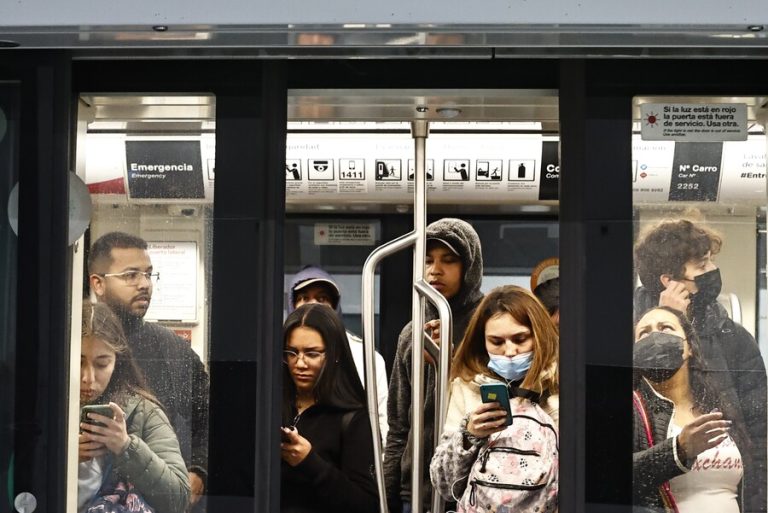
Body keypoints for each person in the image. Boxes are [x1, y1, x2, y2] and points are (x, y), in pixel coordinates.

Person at [634, 218, 766, 513]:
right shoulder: (634, 334)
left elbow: (759, 432)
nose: (712, 271)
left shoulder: (732, 337)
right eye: (702, 265)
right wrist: (669, 319)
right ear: (670, 281)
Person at [88, 232, 210, 510]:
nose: (144, 284)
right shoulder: (73, 344)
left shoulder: (174, 350)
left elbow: (208, 418)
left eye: (148, 274)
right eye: (130, 275)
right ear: (98, 283)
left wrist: (199, 470)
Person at [384, 218, 484, 513]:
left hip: (472, 485)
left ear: (469, 267)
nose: (435, 270)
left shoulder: (488, 325)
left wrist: (451, 363)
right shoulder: (412, 333)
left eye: (448, 260)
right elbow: (399, 425)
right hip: (415, 487)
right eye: (427, 260)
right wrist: (387, 492)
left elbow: (500, 398)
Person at [429, 285, 559, 509]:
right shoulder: (467, 386)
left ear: (540, 336)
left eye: (520, 339)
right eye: (497, 342)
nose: (509, 351)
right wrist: (469, 435)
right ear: (483, 343)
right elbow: (444, 485)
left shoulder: (562, 387)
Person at [632, 306, 754, 513]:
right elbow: (610, 476)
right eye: (644, 333)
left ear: (690, 347)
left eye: (665, 328)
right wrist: (678, 450)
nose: (655, 337)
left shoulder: (716, 405)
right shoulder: (633, 408)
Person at [78, 302, 189, 513]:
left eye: (102, 364)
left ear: (117, 362)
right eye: (78, 362)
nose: (88, 378)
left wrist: (126, 447)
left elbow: (178, 498)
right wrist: (65, 456)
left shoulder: (143, 412)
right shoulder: (45, 407)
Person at [280, 303, 379, 513]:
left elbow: (366, 504)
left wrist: (310, 462)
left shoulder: (352, 417)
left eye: (312, 354)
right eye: (292, 352)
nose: (300, 364)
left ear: (334, 355)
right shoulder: (272, 405)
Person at [287, 265, 389, 444]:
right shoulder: (276, 351)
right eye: (304, 298)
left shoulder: (365, 357)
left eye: (322, 298)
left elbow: (381, 423)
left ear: (335, 306)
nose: (313, 304)